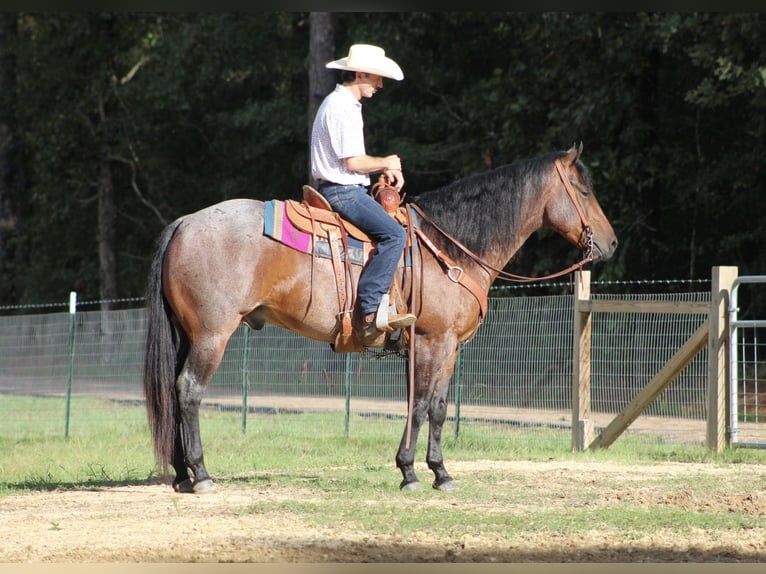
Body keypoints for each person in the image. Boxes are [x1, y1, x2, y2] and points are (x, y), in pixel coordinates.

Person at [310, 43, 416, 343]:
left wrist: (380, 170)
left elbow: (354, 163)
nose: (380, 84)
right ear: (359, 74)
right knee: (395, 235)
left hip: (342, 186)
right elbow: (353, 162)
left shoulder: (341, 104)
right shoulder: (342, 107)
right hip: (342, 192)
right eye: (376, 78)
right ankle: (370, 310)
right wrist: (387, 161)